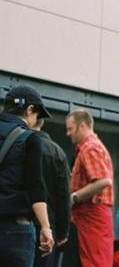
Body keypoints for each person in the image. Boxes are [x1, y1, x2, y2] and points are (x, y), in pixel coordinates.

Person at [0, 85, 55, 265]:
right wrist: (45, 227)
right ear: (29, 109)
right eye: (36, 115)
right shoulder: (30, 138)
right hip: (15, 230)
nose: (34, 121)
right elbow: (35, 185)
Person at [66, 108, 114, 266]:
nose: (68, 133)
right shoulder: (91, 147)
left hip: (91, 215)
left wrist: (74, 197)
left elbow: (104, 181)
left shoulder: (90, 147)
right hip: (90, 217)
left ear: (82, 126)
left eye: (70, 129)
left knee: (93, 262)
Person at [30, 116, 70, 267]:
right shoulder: (57, 152)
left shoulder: (18, 145)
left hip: (19, 221)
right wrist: (62, 233)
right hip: (48, 226)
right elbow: (64, 196)